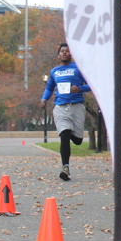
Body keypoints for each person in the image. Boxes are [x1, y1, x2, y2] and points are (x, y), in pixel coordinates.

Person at [40, 43, 90, 181]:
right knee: (64, 134)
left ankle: (72, 133)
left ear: (71, 54)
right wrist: (44, 99)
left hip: (77, 106)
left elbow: (91, 84)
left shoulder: (78, 69)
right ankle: (65, 168)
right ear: (58, 55)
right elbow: (49, 88)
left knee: (78, 140)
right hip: (60, 107)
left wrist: (80, 88)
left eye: (67, 51)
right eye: (62, 51)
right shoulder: (54, 71)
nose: (64, 53)